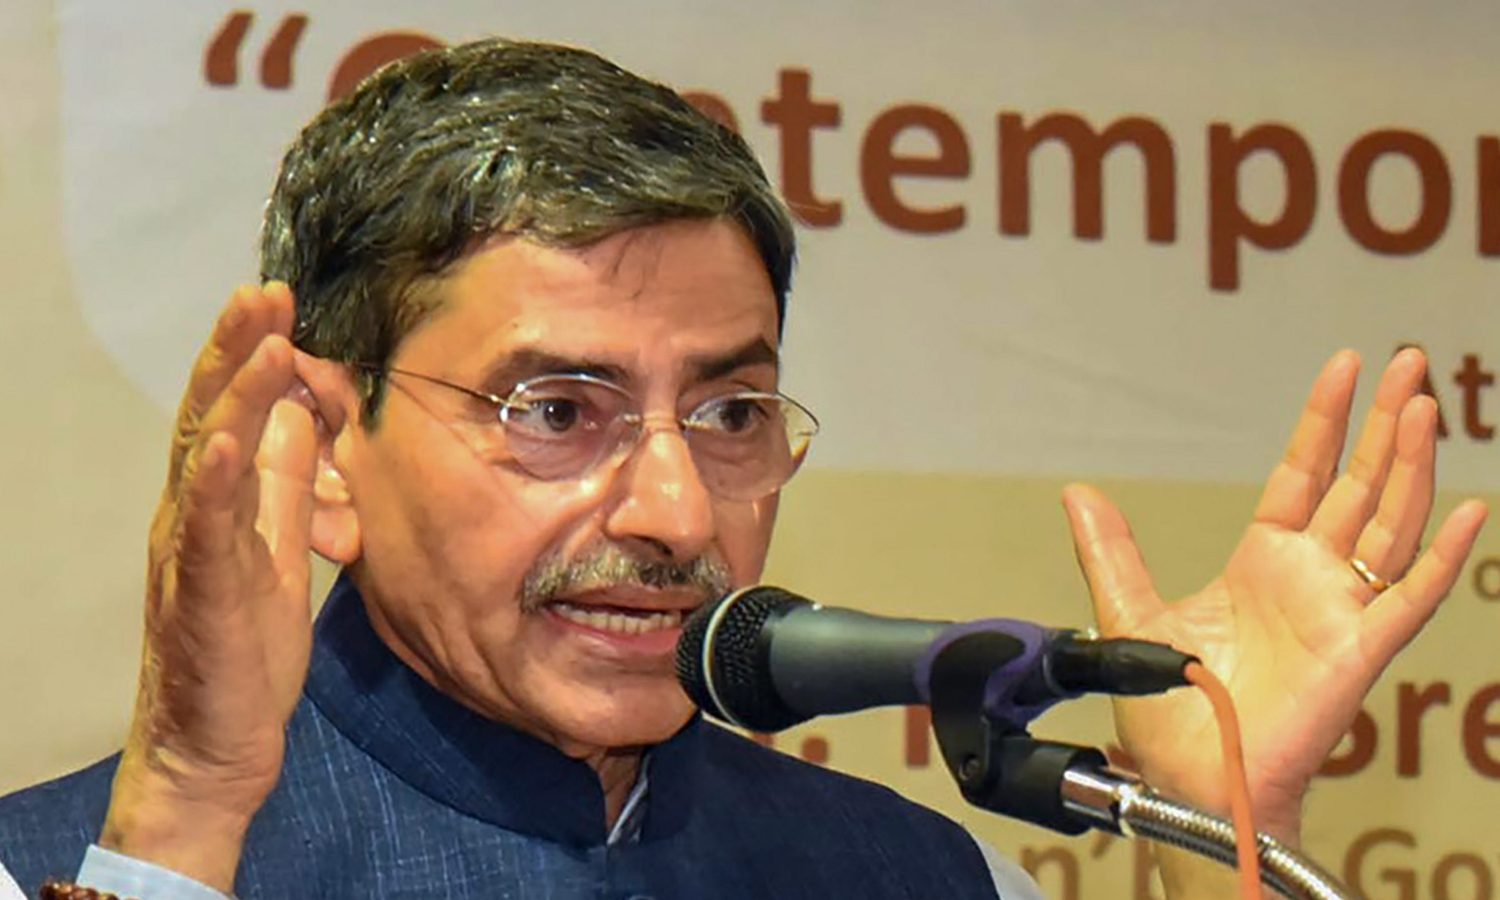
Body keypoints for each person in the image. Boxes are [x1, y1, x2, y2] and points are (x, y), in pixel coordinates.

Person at [0, 37, 1485, 900]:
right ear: (327, 455)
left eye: (729, 416)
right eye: (558, 410)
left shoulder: (909, 876)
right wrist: (184, 818)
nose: (675, 514)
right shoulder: (69, 863)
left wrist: (1234, 830)